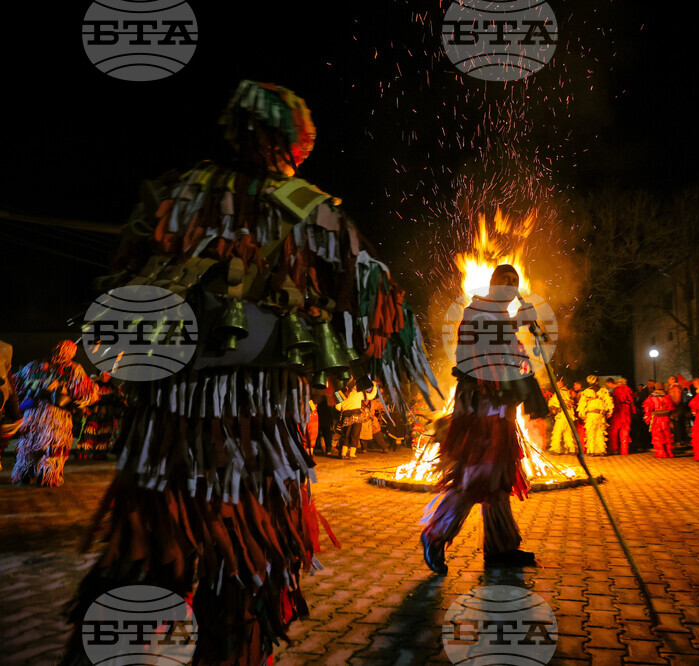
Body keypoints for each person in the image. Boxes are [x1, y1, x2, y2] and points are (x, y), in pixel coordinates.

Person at [62, 81, 439, 664]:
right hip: (258, 429)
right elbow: (375, 311)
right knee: (242, 574)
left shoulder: (174, 192)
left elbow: (119, 289)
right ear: (292, 139)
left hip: (168, 424)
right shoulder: (313, 211)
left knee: (145, 564)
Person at [420, 264, 547, 573]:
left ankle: (500, 548)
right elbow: (484, 341)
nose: (510, 285)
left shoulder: (505, 320)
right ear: (492, 284)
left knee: (500, 480)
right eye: (504, 279)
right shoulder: (477, 310)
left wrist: (529, 387)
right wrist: (519, 322)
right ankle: (435, 536)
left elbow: (512, 361)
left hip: (502, 409)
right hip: (480, 408)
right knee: (475, 477)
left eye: (514, 281)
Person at [11, 340, 96, 486]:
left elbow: (14, 383)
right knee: (54, 446)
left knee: (30, 444)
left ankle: (25, 473)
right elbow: (87, 393)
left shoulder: (33, 365)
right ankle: (47, 476)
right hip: (57, 416)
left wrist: (32, 390)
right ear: (71, 353)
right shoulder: (74, 369)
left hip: (33, 413)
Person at [77, 371, 127, 460]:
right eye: (102, 374)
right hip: (93, 413)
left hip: (107, 415)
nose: (104, 376)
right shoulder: (93, 386)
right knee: (89, 432)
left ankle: (100, 454)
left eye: (106, 374)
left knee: (104, 434)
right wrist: (85, 408)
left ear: (110, 376)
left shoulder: (113, 388)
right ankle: (85, 453)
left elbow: (120, 400)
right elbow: (86, 398)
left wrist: (122, 405)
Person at [336, 382, 377, 459]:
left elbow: (338, 407)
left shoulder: (340, 394)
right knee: (355, 435)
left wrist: (345, 406)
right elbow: (371, 396)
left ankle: (343, 454)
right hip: (357, 415)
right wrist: (374, 386)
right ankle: (352, 454)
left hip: (346, 415)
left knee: (346, 435)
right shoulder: (358, 393)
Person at [0, 340, 23, 470]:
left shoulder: (3, 350)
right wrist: (15, 414)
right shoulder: (3, 350)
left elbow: (9, 387)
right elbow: (9, 387)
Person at [577, 375, 613, 455]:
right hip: (591, 415)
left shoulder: (603, 391)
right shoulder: (587, 392)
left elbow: (608, 401)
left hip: (600, 415)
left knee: (599, 432)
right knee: (592, 432)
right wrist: (581, 413)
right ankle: (592, 450)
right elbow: (582, 403)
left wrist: (610, 411)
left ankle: (600, 450)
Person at [643, 382, 675, 458]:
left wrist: (649, 416)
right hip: (665, 418)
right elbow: (671, 407)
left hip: (657, 418)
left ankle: (661, 452)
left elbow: (648, 408)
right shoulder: (667, 396)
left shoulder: (652, 397)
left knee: (657, 435)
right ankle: (669, 452)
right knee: (666, 434)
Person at [548, 378, 577, 454]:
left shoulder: (558, 393)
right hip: (569, 415)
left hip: (562, 415)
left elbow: (551, 403)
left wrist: (553, 408)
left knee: (557, 431)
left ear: (559, 385)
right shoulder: (568, 392)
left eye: (557, 385)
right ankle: (571, 449)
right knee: (567, 432)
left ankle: (555, 449)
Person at [608, 377, 635, 455]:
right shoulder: (628, 390)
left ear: (619, 383)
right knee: (625, 431)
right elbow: (631, 401)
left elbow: (614, 401)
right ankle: (624, 450)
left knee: (613, 431)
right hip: (626, 412)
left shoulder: (616, 390)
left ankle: (614, 449)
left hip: (618, 412)